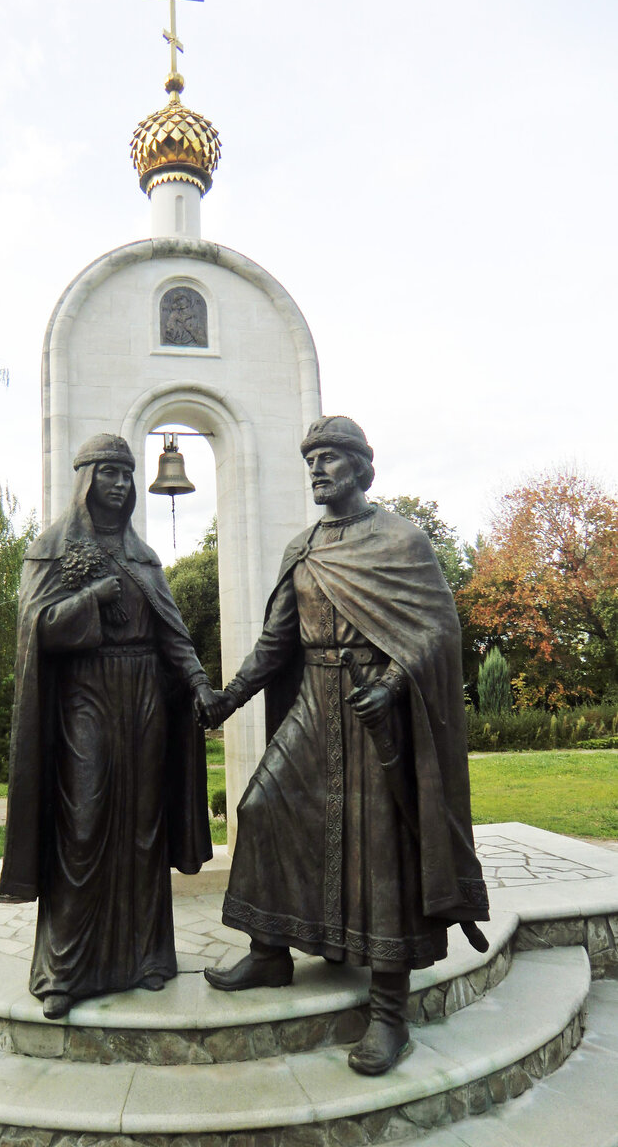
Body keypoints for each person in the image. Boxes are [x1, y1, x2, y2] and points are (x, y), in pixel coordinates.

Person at [201, 416, 489, 1076]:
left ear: (363, 468)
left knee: (380, 849)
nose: (318, 471)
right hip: (314, 701)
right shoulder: (301, 549)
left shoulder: (401, 540)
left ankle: (389, 1012)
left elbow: (437, 631)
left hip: (375, 711)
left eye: (330, 459)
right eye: (311, 462)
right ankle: (271, 951)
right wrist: (228, 698)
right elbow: (278, 643)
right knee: (263, 808)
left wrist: (390, 685)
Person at [0, 433, 220, 1019]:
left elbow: (173, 632)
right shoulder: (51, 548)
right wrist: (93, 596)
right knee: (84, 823)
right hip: (86, 696)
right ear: (86, 480)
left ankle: (147, 954)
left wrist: (198, 683)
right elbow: (35, 629)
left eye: (127, 474)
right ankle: (64, 970)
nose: (120, 484)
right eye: (109, 473)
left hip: (146, 694)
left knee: (144, 824)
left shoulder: (145, 558)